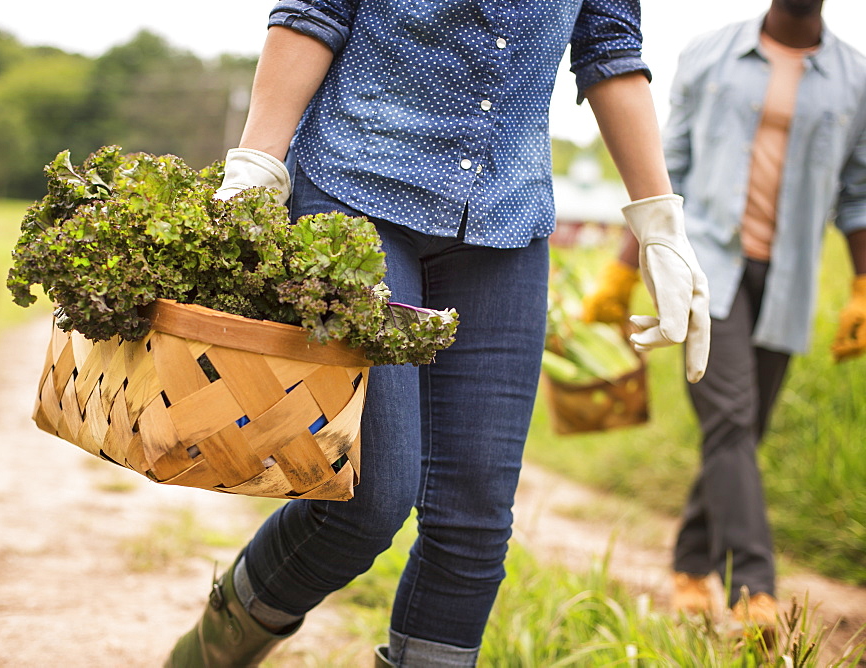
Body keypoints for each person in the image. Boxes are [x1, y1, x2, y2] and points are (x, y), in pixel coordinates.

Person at [166, 1, 711, 666]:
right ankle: (210, 653)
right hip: (356, 195)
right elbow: (314, 13)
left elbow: (611, 52)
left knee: (474, 520)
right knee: (366, 500)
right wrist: (257, 159)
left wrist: (660, 223)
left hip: (505, 221)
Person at [582, 0, 866, 635]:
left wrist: (862, 285)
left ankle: (689, 565)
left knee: (743, 430)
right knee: (732, 420)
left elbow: (857, 192)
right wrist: (625, 270)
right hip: (704, 269)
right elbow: (667, 169)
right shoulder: (708, 53)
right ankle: (754, 591)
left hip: (789, 279)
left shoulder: (855, 79)